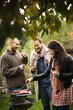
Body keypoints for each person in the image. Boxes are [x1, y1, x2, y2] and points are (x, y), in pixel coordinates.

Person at [26, 40, 73, 110]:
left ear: (56, 49)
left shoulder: (67, 59)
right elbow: (45, 73)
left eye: (51, 51)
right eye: (49, 51)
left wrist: (59, 75)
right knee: (54, 108)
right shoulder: (52, 59)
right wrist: (32, 78)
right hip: (55, 89)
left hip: (64, 88)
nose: (50, 53)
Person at [1, 38, 28, 110]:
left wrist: (25, 58)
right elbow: (4, 72)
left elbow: (23, 64)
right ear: (10, 43)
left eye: (18, 44)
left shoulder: (18, 53)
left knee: (24, 106)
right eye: (16, 44)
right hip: (14, 87)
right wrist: (18, 68)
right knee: (14, 107)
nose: (18, 46)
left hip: (23, 85)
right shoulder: (4, 57)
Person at [30, 37, 52, 110]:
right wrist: (32, 70)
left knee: (55, 103)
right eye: (34, 46)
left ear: (41, 43)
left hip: (50, 83)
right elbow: (31, 69)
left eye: (37, 45)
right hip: (41, 84)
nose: (36, 47)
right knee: (45, 105)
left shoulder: (48, 52)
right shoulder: (33, 55)